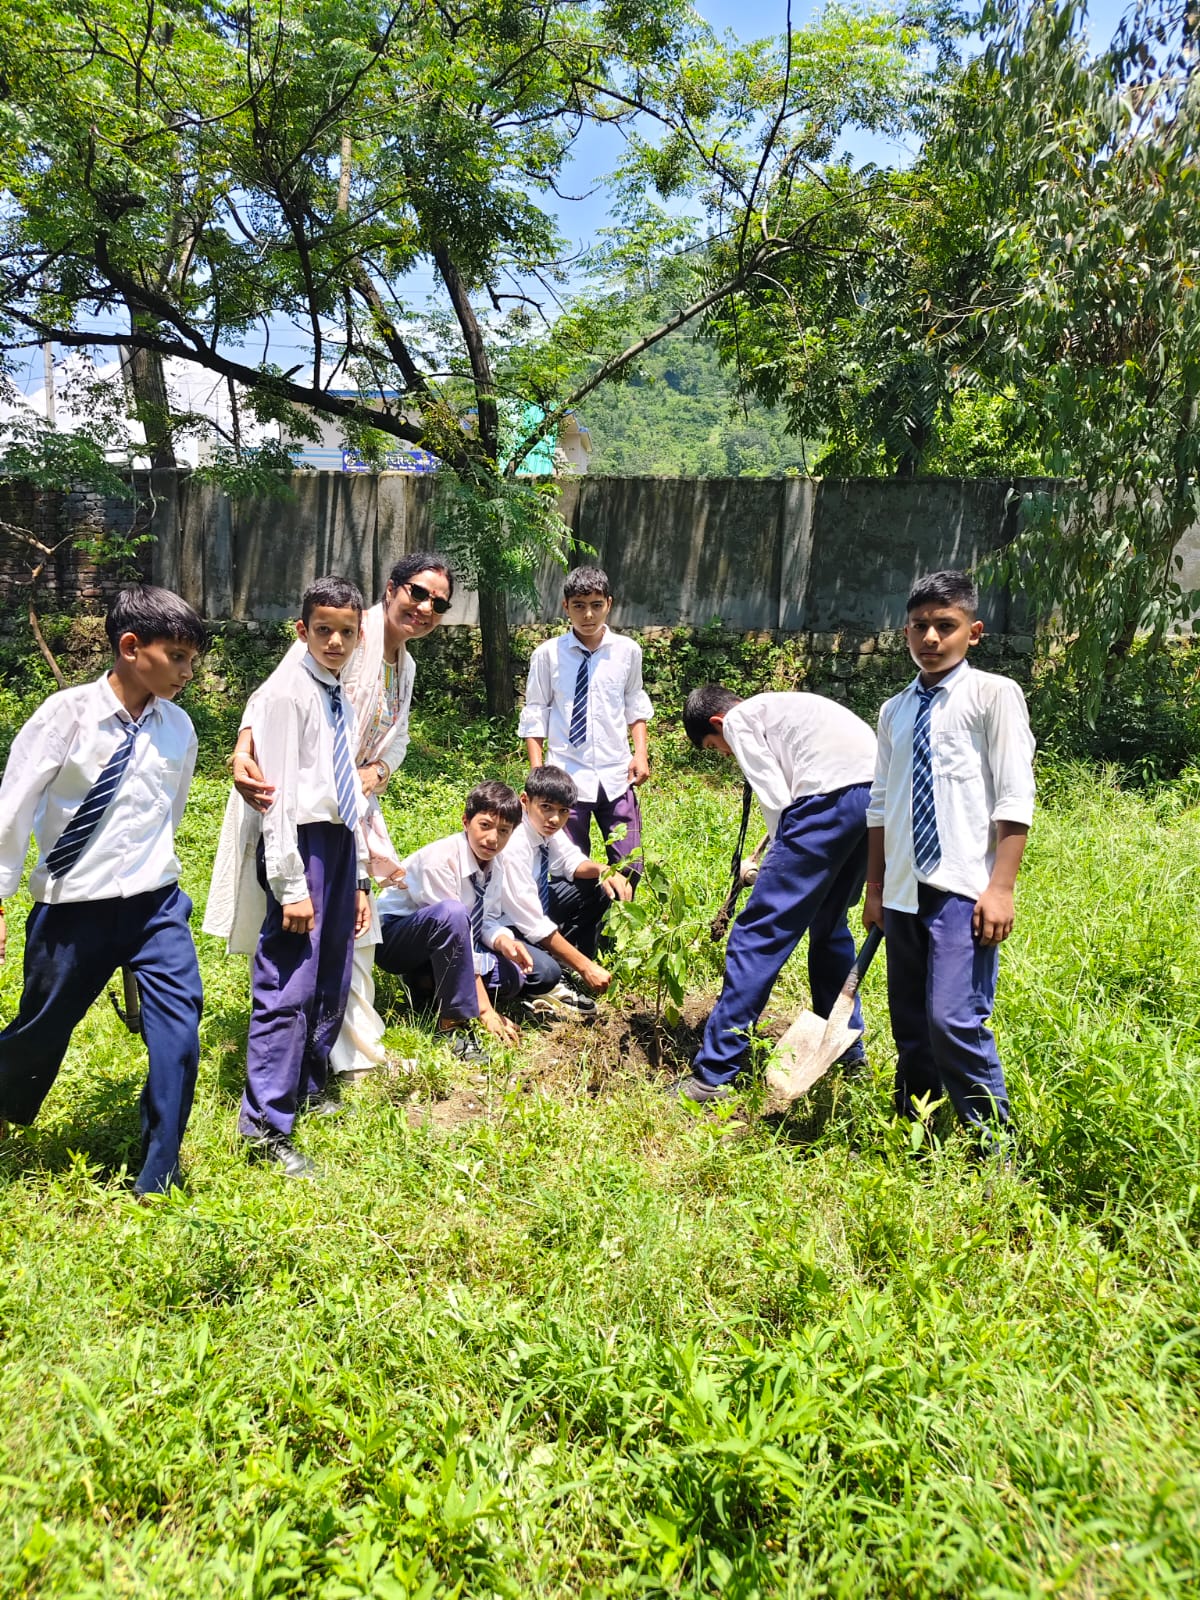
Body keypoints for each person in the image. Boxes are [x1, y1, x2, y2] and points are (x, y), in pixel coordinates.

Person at [204, 553, 454, 1079]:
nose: (425, 608)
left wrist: (376, 772)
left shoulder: (405, 665)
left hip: (347, 806)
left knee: (353, 928)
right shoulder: (343, 629)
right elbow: (271, 695)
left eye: (439, 603)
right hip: (293, 799)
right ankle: (297, 1056)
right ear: (391, 589)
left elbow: (399, 739)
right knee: (297, 926)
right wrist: (243, 750)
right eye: (417, 592)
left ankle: (344, 1050)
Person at [0, 585, 206, 1193]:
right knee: (41, 1029)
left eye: (192, 660)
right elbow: (12, 810)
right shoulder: (64, 717)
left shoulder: (178, 728)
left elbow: (170, 811)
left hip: (155, 906)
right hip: (73, 910)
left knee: (179, 1036)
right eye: (177, 657)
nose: (187, 673)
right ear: (130, 647)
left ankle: (159, 1174)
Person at [863, 570, 1035, 1150]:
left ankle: (994, 1146)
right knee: (911, 1022)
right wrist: (875, 889)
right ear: (905, 633)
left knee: (953, 1019)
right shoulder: (894, 710)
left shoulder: (993, 696)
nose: (931, 638)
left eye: (946, 625)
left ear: (974, 632)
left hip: (963, 887)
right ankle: (917, 1131)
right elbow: (880, 806)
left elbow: (1014, 797)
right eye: (920, 626)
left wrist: (1000, 888)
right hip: (903, 891)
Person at [672, 684, 878, 1101]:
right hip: (873, 800)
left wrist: (774, 864)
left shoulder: (740, 720)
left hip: (825, 802)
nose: (724, 755)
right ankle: (848, 1054)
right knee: (830, 927)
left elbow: (776, 799)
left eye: (714, 747)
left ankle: (713, 1075)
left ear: (718, 723)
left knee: (756, 935)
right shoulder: (783, 708)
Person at [233, 575, 372, 1176]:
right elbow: (278, 798)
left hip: (338, 840)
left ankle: (309, 1081)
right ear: (301, 631)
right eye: (323, 630)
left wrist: (358, 876)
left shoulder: (337, 690)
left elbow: (349, 792)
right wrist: (291, 886)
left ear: (360, 635)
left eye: (346, 632)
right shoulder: (288, 693)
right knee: (290, 978)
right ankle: (265, 1125)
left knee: (331, 971)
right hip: (301, 843)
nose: (335, 641)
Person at [374, 781, 563, 1062]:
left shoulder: (497, 862)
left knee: (515, 978)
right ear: (466, 821)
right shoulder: (440, 860)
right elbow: (453, 928)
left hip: (448, 941)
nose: (493, 839)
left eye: (503, 831)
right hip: (397, 939)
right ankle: (452, 1023)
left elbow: (486, 919)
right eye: (485, 825)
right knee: (452, 913)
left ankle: (427, 984)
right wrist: (485, 1010)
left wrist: (504, 942)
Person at [519, 565, 653, 881]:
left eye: (596, 605)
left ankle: (619, 914)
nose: (588, 615)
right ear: (566, 606)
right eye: (579, 606)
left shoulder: (627, 651)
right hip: (567, 773)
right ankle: (581, 915)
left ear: (609, 604)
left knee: (630, 864)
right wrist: (538, 774)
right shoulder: (548, 655)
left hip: (617, 775)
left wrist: (641, 753)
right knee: (568, 868)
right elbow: (536, 712)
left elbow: (634, 703)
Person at [501, 765, 635, 1010]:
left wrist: (605, 870)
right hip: (503, 924)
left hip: (532, 908)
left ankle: (564, 961)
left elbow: (570, 861)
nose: (554, 818)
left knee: (599, 886)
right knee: (546, 974)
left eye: (563, 811)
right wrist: (585, 966)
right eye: (546, 807)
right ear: (525, 801)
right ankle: (548, 979)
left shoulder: (545, 828)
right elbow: (532, 923)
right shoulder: (513, 843)